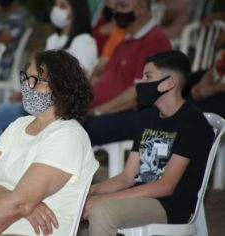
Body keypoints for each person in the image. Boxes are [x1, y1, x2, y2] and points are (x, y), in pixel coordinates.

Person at [0, 50, 99, 236]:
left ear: (61, 88)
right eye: (26, 78)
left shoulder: (68, 136)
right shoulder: (19, 125)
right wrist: (17, 202)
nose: (27, 86)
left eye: (36, 80)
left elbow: (19, 204)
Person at [82, 50, 214, 236]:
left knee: (102, 212)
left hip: (169, 205)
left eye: (148, 76)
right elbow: (127, 177)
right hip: (140, 195)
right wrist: (91, 190)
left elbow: (166, 186)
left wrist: (104, 199)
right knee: (76, 201)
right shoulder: (147, 117)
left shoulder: (192, 123)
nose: (141, 83)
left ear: (170, 82)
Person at [0, 0, 98, 143]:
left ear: (76, 11)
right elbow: (38, 74)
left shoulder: (84, 42)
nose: (57, 10)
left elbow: (78, 83)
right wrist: (24, 92)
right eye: (56, 5)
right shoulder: (54, 39)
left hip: (57, 108)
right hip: (37, 102)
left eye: (62, 6)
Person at [83, 0, 172, 146]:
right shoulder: (126, 39)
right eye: (116, 6)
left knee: (77, 129)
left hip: (135, 115)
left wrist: (98, 111)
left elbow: (139, 94)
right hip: (108, 112)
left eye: (122, 6)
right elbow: (102, 77)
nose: (116, 11)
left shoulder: (154, 40)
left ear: (141, 8)